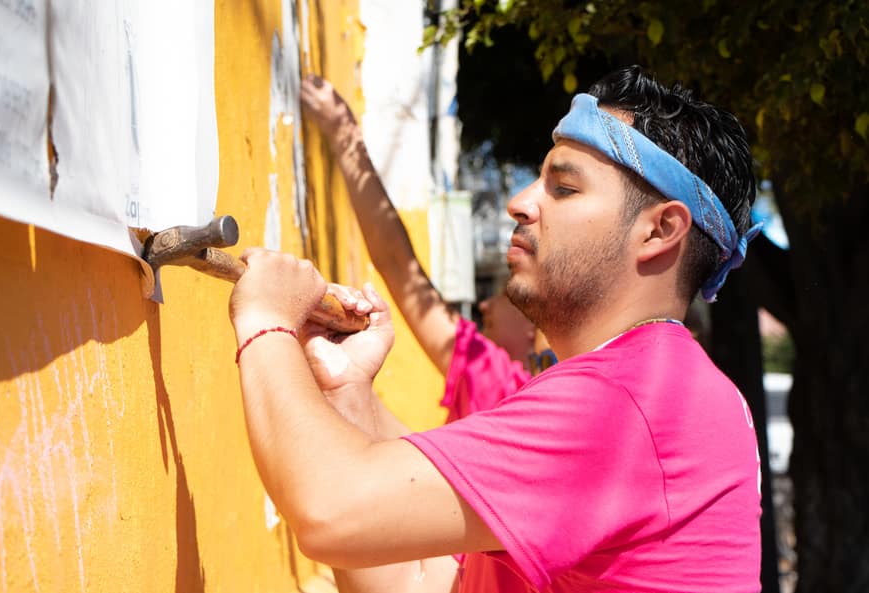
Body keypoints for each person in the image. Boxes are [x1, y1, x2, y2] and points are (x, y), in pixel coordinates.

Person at [228, 65, 763, 592]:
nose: (521, 201)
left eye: (565, 187)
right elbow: (419, 579)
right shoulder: (655, 389)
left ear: (659, 230)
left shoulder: (631, 401)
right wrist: (346, 389)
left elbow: (332, 512)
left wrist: (266, 321)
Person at [300, 74, 548, 418]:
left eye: (504, 293)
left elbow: (397, 265)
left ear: (532, 327)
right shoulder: (532, 405)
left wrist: (344, 135)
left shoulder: (499, 386)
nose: (486, 305)